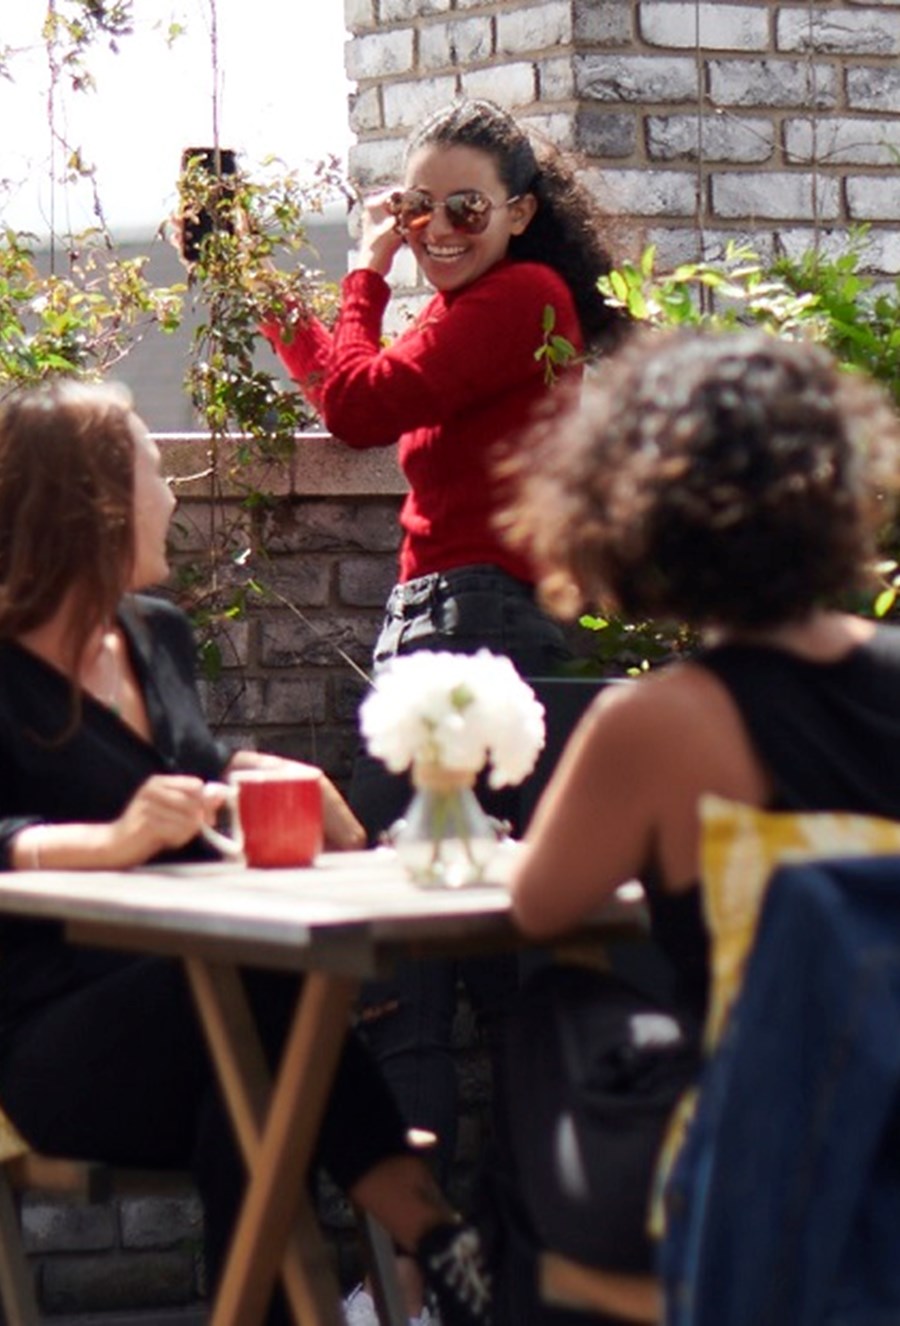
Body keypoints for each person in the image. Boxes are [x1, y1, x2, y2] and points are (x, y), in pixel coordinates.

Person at [0, 379, 495, 1326]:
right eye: (154, 470)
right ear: (93, 502)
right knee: (265, 1001)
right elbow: (91, 813)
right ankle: (434, 1234)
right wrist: (111, 843)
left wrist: (286, 792)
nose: (175, 493)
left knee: (256, 1097)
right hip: (54, 1043)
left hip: (213, 1032)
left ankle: (422, 1252)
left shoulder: (156, 637)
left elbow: (185, 770)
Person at [255, 100, 631, 1320]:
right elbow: (354, 392)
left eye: (463, 208)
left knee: (394, 960)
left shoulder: (518, 302)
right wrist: (296, 309)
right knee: (493, 968)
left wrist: (356, 279)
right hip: (481, 633)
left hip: (468, 639)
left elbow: (359, 410)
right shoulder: (483, 315)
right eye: (416, 210)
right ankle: (499, 1276)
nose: (437, 229)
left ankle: (417, 1285)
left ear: (520, 213)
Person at [494, 327, 900, 1322]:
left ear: (636, 515)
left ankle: (481, 1291)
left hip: (769, 1173)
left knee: (550, 1014)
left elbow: (540, 904)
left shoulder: (658, 724)